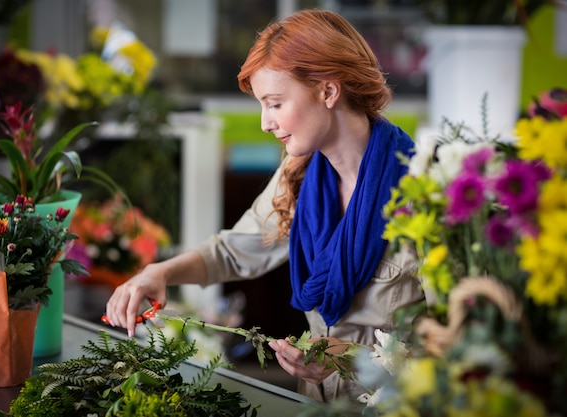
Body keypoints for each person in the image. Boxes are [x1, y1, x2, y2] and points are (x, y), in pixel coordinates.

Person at [106, 8, 426, 404]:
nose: (264, 122)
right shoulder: (300, 174)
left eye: (275, 103)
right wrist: (158, 272)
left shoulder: (426, 191)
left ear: (328, 91)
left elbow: (468, 346)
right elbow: (233, 251)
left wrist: (359, 358)